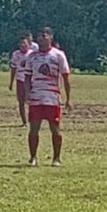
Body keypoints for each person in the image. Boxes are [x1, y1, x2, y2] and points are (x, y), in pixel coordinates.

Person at [24, 27, 71, 167]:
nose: (41, 38)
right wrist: (27, 94)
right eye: (39, 36)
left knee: (55, 128)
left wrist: (68, 98)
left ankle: (56, 158)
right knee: (34, 128)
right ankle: (33, 157)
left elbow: (66, 77)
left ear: (51, 37)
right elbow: (27, 77)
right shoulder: (32, 56)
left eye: (44, 36)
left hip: (52, 97)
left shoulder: (58, 55)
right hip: (36, 97)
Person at [9, 33, 36, 127]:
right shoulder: (16, 54)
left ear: (29, 44)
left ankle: (33, 120)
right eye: (21, 43)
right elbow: (13, 69)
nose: (22, 45)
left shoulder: (32, 54)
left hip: (30, 81)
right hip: (20, 80)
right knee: (21, 102)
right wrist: (11, 82)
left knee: (32, 101)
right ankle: (24, 122)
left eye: (24, 43)